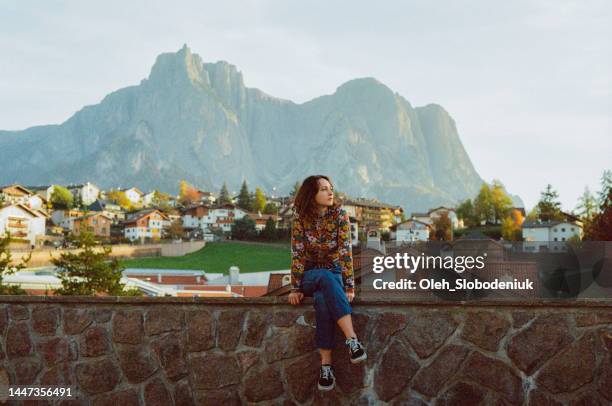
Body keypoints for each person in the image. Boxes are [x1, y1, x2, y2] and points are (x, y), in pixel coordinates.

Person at [288, 175, 367, 391]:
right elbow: (297, 253)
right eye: (323, 189)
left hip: (334, 273)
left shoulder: (340, 216)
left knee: (323, 300)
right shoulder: (300, 219)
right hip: (310, 276)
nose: (330, 192)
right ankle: (352, 339)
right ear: (311, 195)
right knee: (323, 277)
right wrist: (295, 287)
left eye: (330, 188)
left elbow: (345, 252)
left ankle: (326, 368)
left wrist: (349, 285)